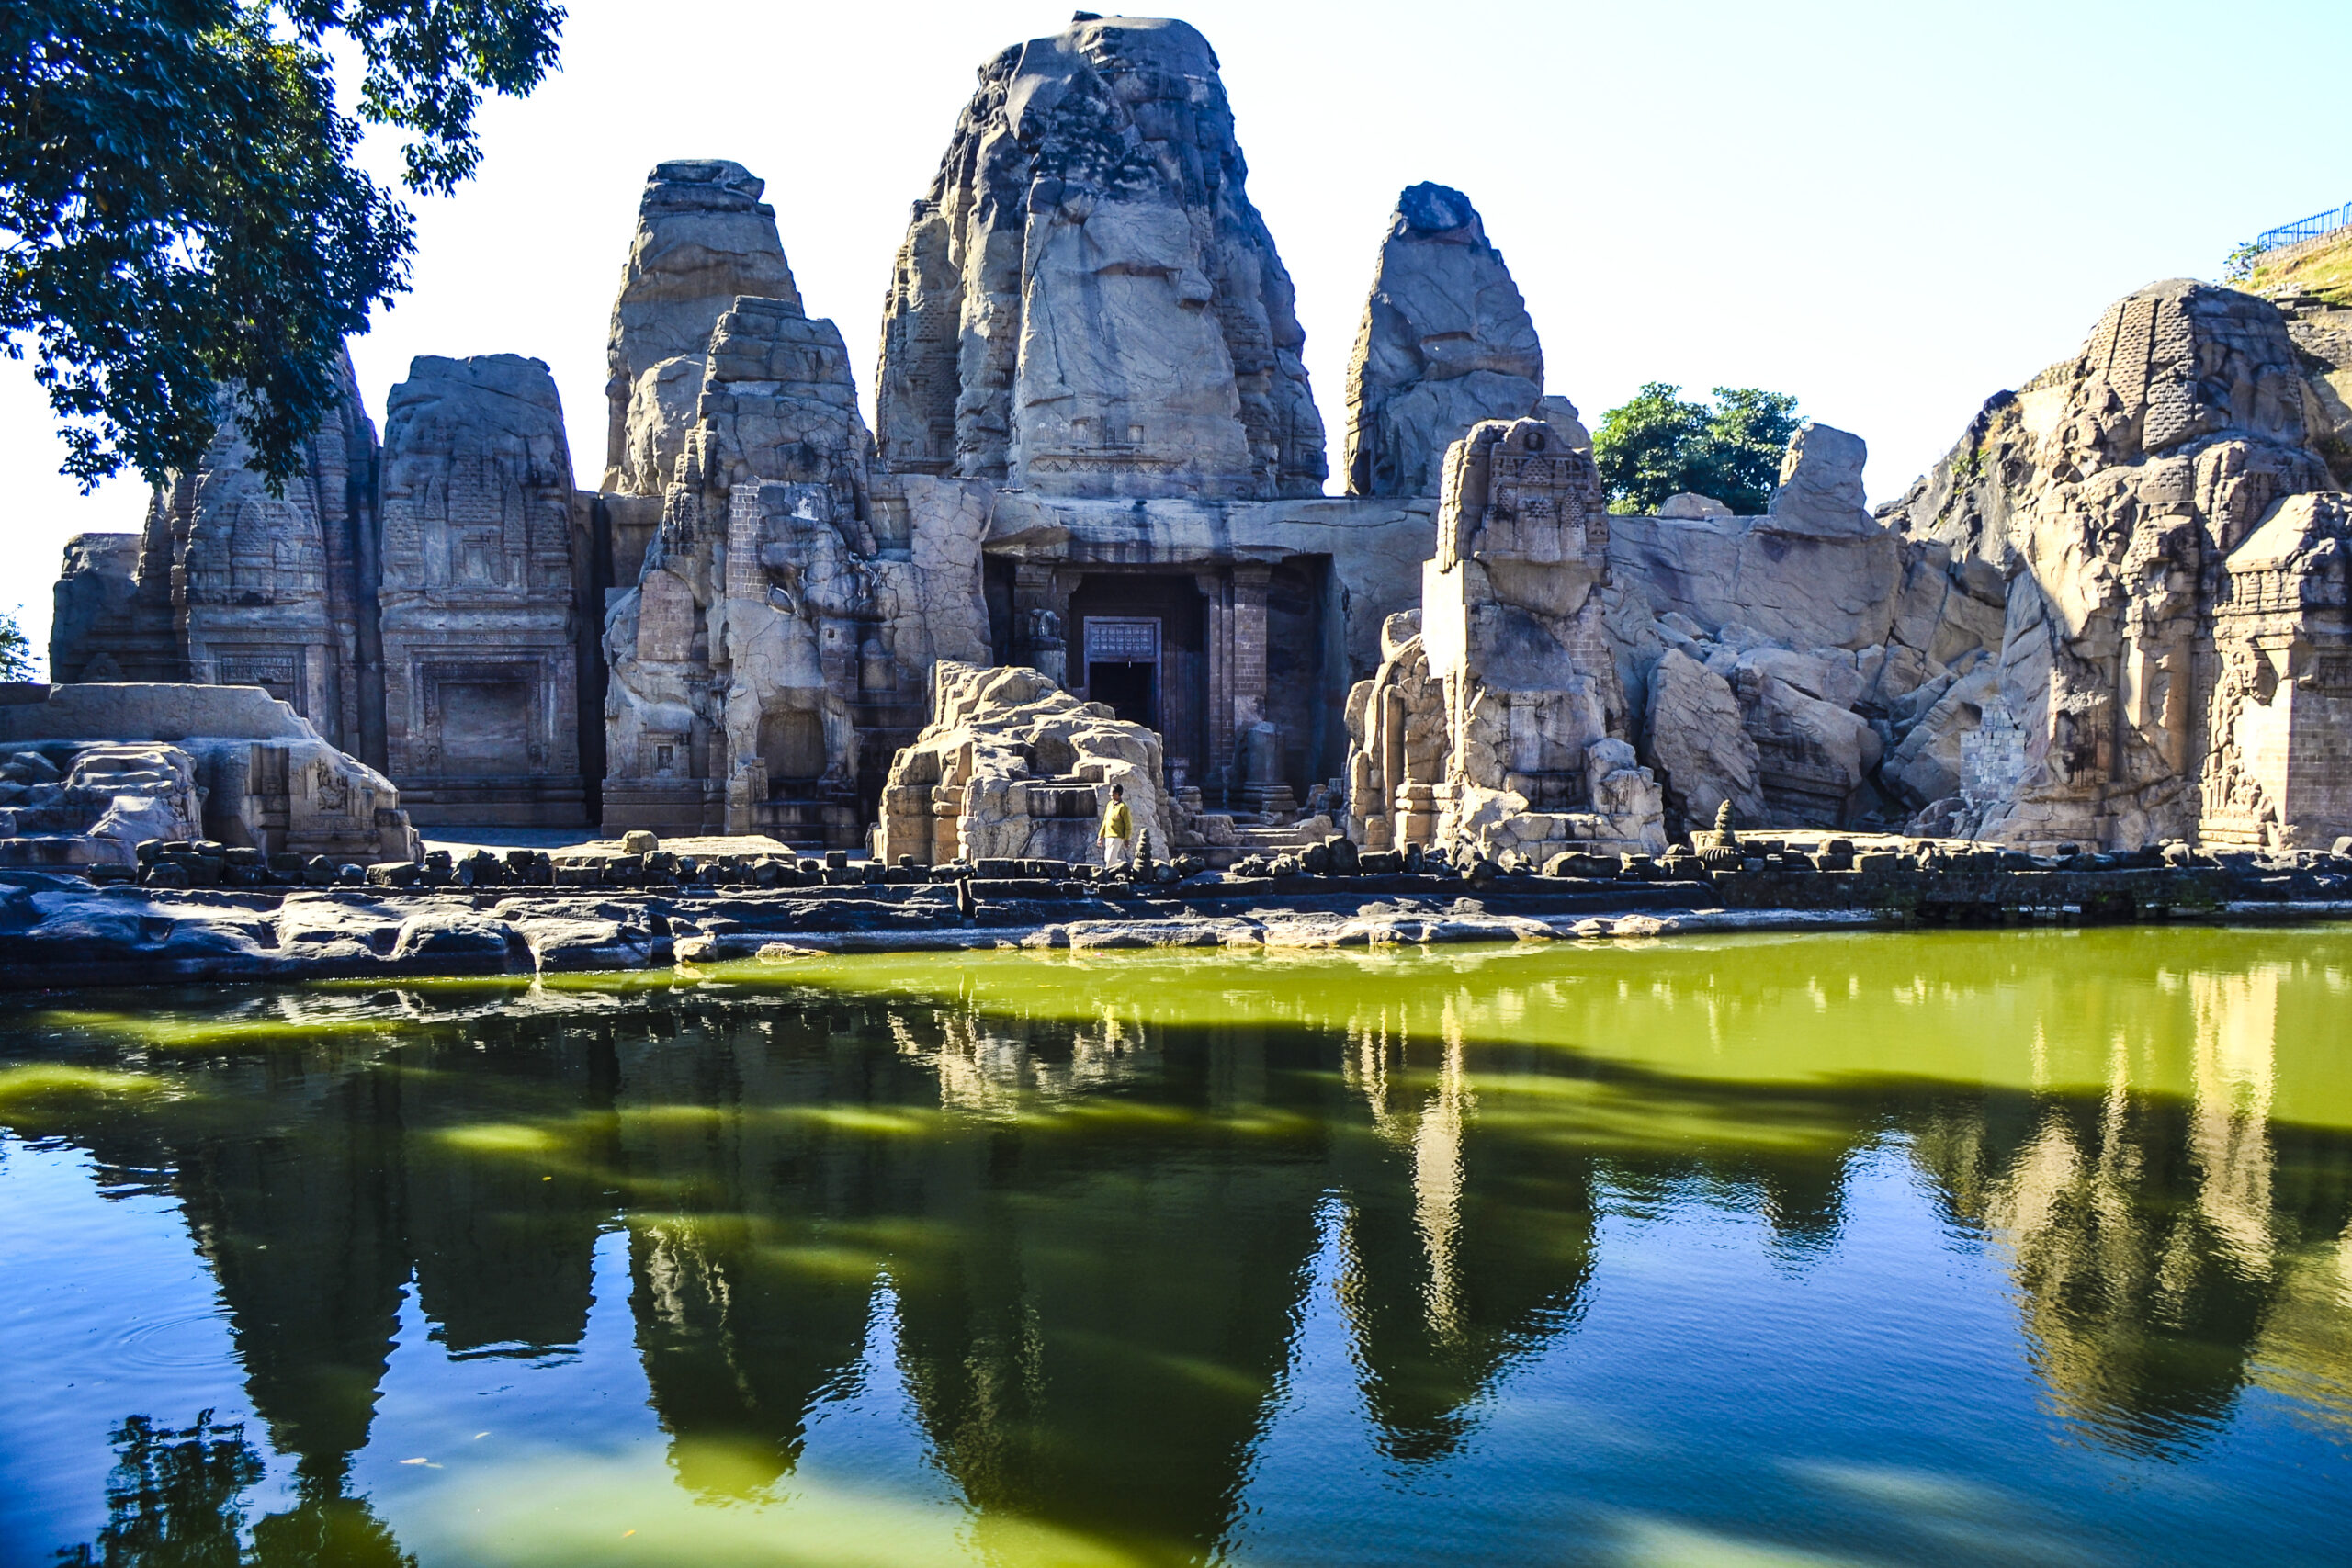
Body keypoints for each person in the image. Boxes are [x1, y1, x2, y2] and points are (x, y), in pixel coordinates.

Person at [1097, 782, 1134, 869]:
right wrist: (1100, 835)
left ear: (1117, 794)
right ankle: (1121, 866)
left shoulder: (1123, 807)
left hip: (1117, 836)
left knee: (1110, 860)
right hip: (1108, 836)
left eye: (1112, 792)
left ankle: (1109, 878)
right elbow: (1105, 821)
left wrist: (1127, 839)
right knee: (1107, 858)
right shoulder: (1109, 804)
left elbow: (1128, 824)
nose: (1110, 794)